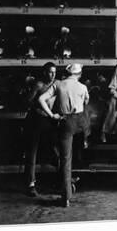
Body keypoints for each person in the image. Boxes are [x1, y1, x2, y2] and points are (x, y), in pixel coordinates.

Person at [39, 63, 89, 207]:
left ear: (67, 73)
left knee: (66, 160)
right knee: (79, 152)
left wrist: (52, 115)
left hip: (65, 122)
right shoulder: (83, 87)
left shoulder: (59, 84)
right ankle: (86, 139)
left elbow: (41, 99)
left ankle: (66, 197)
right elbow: (86, 101)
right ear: (79, 74)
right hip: (80, 123)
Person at [23, 62, 59, 197]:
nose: (53, 75)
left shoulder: (57, 84)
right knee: (32, 152)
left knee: (56, 149)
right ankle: (30, 184)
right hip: (35, 121)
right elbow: (28, 101)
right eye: (50, 72)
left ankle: (63, 179)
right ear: (45, 73)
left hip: (49, 121)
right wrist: (38, 106)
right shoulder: (39, 85)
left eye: (54, 72)